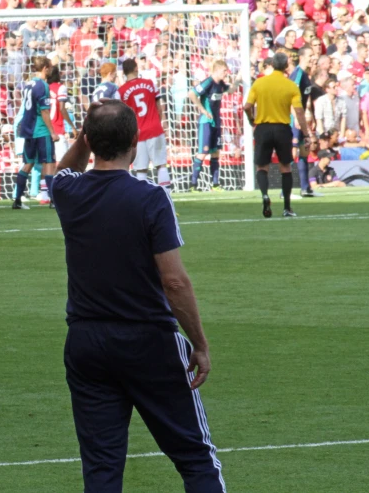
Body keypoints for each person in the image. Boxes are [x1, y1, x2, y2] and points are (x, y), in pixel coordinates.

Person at [52, 99, 225, 493]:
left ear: (89, 140)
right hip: (148, 340)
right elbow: (175, 282)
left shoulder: (68, 191)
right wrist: (199, 343)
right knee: (196, 458)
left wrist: (84, 138)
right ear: (135, 139)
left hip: (86, 342)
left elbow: (64, 170)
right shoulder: (150, 197)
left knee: (101, 468)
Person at [243, 52, 312, 218]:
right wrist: (306, 134)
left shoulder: (259, 83)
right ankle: (287, 208)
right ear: (286, 67)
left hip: (263, 128)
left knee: (262, 167)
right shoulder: (290, 86)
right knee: (285, 167)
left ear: (272, 65)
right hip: (282, 128)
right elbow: (299, 112)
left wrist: (252, 120)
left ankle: (265, 196)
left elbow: (246, 106)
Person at [12, 56, 58, 210]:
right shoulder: (43, 86)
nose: (51, 69)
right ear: (45, 68)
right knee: (49, 163)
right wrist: (52, 132)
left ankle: (17, 199)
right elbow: (44, 112)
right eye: (50, 66)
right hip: (41, 130)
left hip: (28, 130)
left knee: (28, 163)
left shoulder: (27, 85)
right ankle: (53, 200)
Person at [187, 60, 240, 191]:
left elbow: (232, 90)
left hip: (216, 122)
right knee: (203, 152)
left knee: (216, 152)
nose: (226, 73)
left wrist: (239, 77)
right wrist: (202, 109)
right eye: (224, 71)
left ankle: (215, 184)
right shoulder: (208, 82)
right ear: (217, 70)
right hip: (206, 122)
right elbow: (192, 94)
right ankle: (193, 185)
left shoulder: (221, 84)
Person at [118, 58, 170, 190]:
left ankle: (142, 201)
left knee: (141, 170)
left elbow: (123, 115)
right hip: (154, 129)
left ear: (124, 72)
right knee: (161, 166)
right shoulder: (150, 83)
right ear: (136, 68)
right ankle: (167, 197)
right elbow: (159, 107)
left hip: (137, 133)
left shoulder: (122, 91)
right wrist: (161, 123)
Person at [289, 46, 315, 197]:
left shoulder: (305, 75)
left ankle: (305, 188)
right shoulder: (297, 74)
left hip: (301, 117)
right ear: (302, 57)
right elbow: (290, 97)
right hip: (294, 119)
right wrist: (297, 118)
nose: (313, 57)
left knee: (304, 150)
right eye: (310, 55)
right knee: (292, 152)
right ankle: (285, 191)